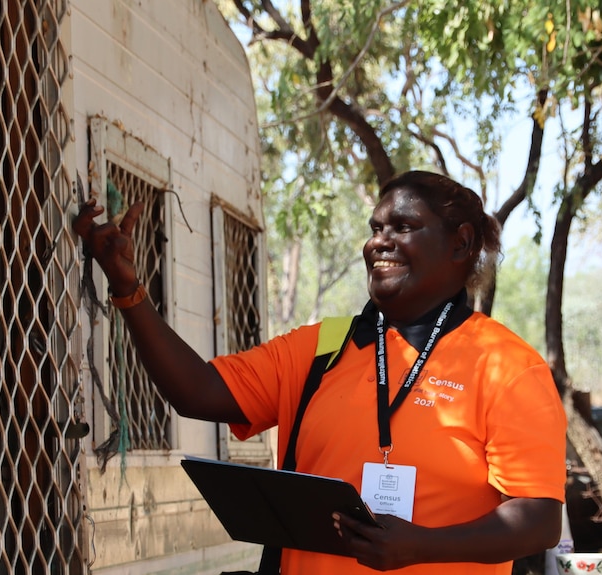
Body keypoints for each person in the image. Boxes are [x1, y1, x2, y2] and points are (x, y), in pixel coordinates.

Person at [73, 170, 568, 574]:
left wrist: (423, 546)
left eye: (403, 227)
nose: (380, 243)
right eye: (376, 229)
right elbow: (197, 392)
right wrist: (127, 288)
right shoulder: (322, 348)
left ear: (460, 244)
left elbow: (538, 520)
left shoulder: (505, 366)